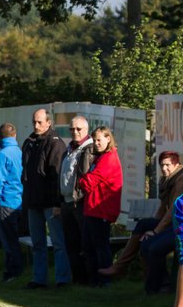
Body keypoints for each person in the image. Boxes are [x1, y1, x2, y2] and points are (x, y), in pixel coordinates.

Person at [100, 150, 183, 294]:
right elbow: (163, 207)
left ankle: (153, 289)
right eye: (161, 165)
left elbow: (173, 211)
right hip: (171, 223)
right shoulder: (166, 179)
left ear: (177, 164)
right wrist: (154, 226)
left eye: (167, 165)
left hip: (178, 225)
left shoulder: (180, 180)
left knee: (152, 247)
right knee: (143, 227)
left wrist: (156, 231)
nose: (164, 169)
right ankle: (121, 266)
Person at [21, 107, 71, 289]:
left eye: (40, 122)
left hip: (50, 202)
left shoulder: (55, 143)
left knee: (58, 242)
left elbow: (57, 175)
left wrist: (58, 202)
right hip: (33, 201)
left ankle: (62, 279)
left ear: (49, 122)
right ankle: (39, 278)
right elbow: (25, 172)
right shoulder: (29, 142)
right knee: (38, 243)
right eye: (34, 121)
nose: (36, 125)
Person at [77, 126, 123, 288]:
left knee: (100, 246)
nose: (96, 143)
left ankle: (104, 280)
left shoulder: (109, 158)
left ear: (108, 139)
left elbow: (90, 181)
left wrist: (80, 181)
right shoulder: (101, 157)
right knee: (89, 246)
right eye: (94, 140)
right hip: (93, 208)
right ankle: (95, 280)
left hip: (101, 209)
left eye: (99, 140)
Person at [58, 116, 96, 284]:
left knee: (84, 242)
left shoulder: (89, 149)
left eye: (79, 129)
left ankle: (89, 278)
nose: (75, 132)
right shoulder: (69, 149)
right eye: (72, 129)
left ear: (86, 130)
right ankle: (78, 278)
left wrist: (80, 196)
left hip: (80, 202)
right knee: (71, 242)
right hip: (67, 201)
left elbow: (86, 176)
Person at [0, 122, 24, 281]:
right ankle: (16, 269)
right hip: (19, 201)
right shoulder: (20, 152)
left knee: (8, 240)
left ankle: (12, 271)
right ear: (15, 135)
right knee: (15, 237)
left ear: (0, 137)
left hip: (5, 201)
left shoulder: (2, 154)